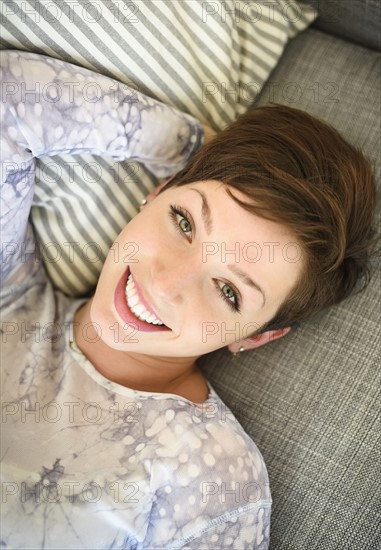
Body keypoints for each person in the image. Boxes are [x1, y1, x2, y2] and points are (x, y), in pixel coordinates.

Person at [0, 50, 377, 549]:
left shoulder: (210, 480)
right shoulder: (12, 287)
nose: (166, 281)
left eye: (228, 291)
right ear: (155, 193)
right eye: (185, 221)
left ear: (258, 336)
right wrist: (196, 149)